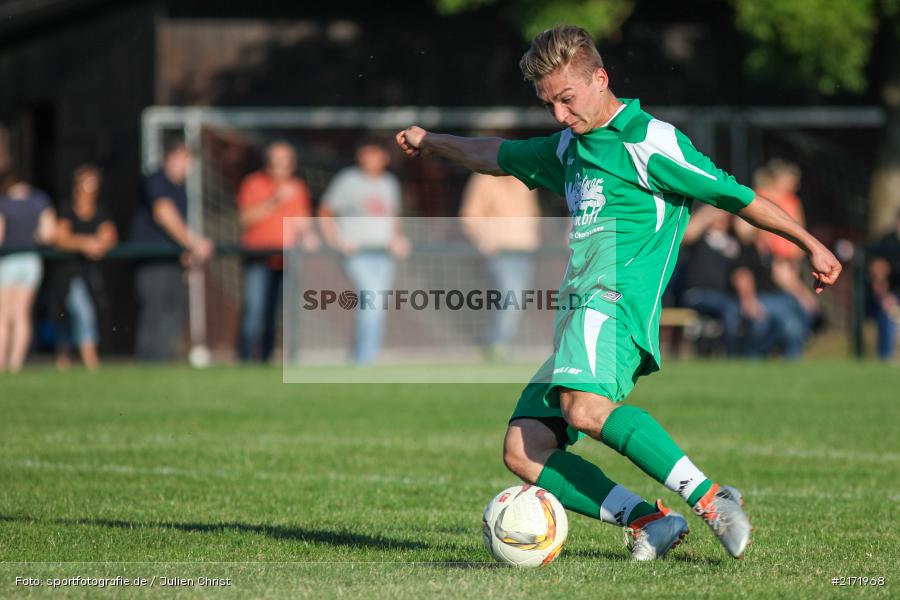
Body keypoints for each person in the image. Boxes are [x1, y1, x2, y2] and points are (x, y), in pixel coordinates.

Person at [395, 25, 841, 561]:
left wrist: (811, 243)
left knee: (584, 410)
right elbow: (498, 154)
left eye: (566, 98)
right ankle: (650, 520)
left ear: (599, 79)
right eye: (548, 103)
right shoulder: (569, 146)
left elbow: (735, 195)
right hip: (578, 314)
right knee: (525, 448)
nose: (559, 114)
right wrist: (432, 141)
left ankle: (709, 497)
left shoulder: (648, 141)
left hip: (612, 302)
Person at [318, 137, 410, 365]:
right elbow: (325, 212)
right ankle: (365, 358)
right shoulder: (348, 181)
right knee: (373, 299)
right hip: (357, 254)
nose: (368, 160)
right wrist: (337, 241)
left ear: (384, 158)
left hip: (384, 254)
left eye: (373, 155)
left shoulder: (390, 183)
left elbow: (393, 216)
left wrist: (398, 238)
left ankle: (363, 353)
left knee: (376, 303)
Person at [129, 138, 213, 362]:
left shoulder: (181, 187)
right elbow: (163, 214)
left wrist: (185, 252)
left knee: (174, 310)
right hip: (152, 257)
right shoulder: (156, 179)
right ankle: (148, 363)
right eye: (183, 158)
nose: (187, 165)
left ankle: (163, 361)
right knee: (154, 309)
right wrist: (193, 242)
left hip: (172, 259)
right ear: (170, 156)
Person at [237, 141, 318, 363]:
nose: (279, 168)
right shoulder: (253, 184)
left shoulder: (298, 188)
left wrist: (309, 234)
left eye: (284, 163)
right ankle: (244, 362)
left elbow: (302, 220)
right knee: (255, 313)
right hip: (259, 258)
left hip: (285, 260)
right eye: (274, 162)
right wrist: (275, 200)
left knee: (277, 315)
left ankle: (266, 361)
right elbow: (245, 220)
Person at [459, 173, 541, 359]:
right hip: (499, 252)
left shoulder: (525, 179)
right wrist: (484, 241)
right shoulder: (483, 180)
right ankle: (496, 343)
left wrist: (534, 238)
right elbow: (469, 215)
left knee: (515, 300)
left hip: (524, 251)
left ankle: (496, 342)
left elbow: (532, 213)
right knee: (510, 297)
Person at [51, 165, 117, 371]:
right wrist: (85, 243)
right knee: (78, 312)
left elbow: (110, 235)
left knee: (83, 312)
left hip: (89, 274)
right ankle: (88, 361)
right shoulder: (66, 208)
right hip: (68, 273)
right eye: (86, 185)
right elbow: (60, 238)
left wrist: (99, 244)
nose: (89, 190)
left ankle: (72, 359)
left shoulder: (100, 210)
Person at [0, 173, 56, 373]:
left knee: (4, 316)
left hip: (8, 259)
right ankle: (15, 365)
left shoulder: (4, 203)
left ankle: (2, 364)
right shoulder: (38, 200)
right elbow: (48, 234)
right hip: (31, 261)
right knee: (22, 315)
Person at [679, 205, 748, 356]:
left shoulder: (732, 244)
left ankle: (741, 352)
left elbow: (741, 274)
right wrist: (709, 211)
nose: (721, 219)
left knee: (734, 308)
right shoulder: (700, 238)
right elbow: (688, 233)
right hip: (696, 294)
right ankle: (732, 353)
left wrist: (747, 299)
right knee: (730, 308)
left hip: (722, 297)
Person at [868, 211, 900, 360]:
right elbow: (879, 275)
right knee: (889, 317)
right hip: (892, 298)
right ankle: (886, 360)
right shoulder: (888, 242)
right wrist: (885, 297)